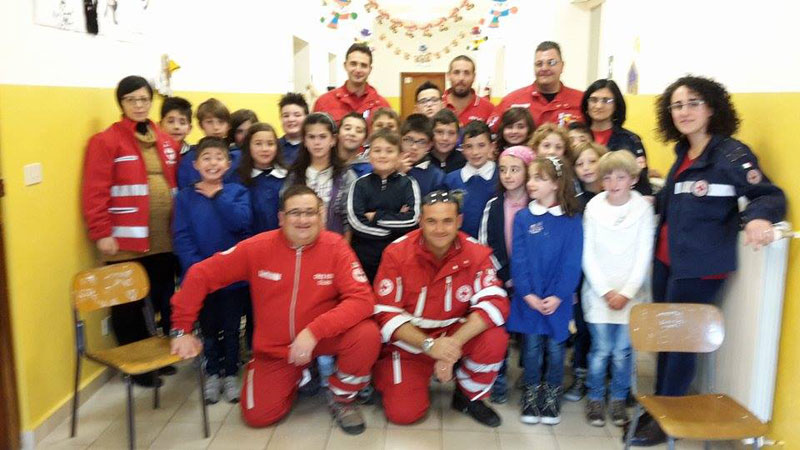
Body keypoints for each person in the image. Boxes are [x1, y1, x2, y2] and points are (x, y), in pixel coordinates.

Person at [627, 75, 786, 446]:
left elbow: (768, 194)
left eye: (694, 103)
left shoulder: (731, 154)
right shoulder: (684, 153)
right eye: (677, 105)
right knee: (667, 338)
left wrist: (758, 217)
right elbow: (676, 201)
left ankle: (665, 421)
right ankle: (658, 411)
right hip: (668, 262)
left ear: (712, 107)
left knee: (681, 343)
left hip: (700, 267)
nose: (685, 111)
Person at [169, 185, 380, 435]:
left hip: (322, 339)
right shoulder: (258, 247)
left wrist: (313, 332)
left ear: (321, 215)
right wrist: (182, 329)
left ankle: (343, 397)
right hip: (276, 348)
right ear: (281, 217)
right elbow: (200, 274)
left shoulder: (336, 247)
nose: (303, 220)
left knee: (367, 334)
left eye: (310, 212)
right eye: (295, 213)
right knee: (258, 416)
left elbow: (362, 300)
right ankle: (302, 372)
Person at [372, 190, 509, 427]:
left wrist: (451, 346)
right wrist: (430, 346)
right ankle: (396, 380)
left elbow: (495, 302)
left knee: (495, 338)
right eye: (431, 221)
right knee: (403, 414)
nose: (439, 229)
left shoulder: (475, 252)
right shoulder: (396, 253)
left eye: (447, 221)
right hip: (411, 343)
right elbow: (386, 314)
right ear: (420, 221)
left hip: (454, 336)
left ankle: (467, 396)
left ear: (459, 221)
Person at [81, 75, 180, 387]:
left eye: (144, 99)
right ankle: (136, 368)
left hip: (163, 238)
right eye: (131, 100)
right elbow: (94, 190)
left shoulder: (164, 140)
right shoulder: (106, 141)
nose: (139, 105)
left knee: (160, 297)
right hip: (124, 239)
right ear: (121, 104)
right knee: (128, 306)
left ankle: (154, 356)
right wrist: (101, 232)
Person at [172, 137, 252, 404]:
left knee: (231, 328)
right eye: (206, 158)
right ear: (195, 164)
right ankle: (213, 371)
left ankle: (230, 372)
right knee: (208, 328)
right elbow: (182, 237)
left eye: (219, 158)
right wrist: (198, 271)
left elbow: (241, 223)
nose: (213, 163)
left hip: (232, 278)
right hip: (199, 279)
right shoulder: (184, 197)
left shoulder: (237, 192)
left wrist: (217, 196)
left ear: (228, 164)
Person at [508, 156, 583, 426]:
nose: (530, 183)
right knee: (531, 350)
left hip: (557, 300)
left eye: (539, 178)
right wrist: (527, 293)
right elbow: (519, 259)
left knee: (555, 349)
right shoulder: (523, 217)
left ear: (556, 183)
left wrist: (559, 295)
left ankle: (551, 394)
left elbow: (572, 262)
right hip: (529, 299)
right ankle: (531, 392)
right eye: (530, 177)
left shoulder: (572, 220)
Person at [581, 150, 654, 428]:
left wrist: (627, 291)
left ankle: (619, 399)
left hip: (631, 296)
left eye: (620, 177)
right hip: (599, 295)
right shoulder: (594, 207)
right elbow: (588, 253)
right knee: (600, 351)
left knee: (623, 352)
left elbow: (643, 253)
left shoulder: (642, 210)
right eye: (607, 178)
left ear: (633, 179)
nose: (613, 183)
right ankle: (596, 397)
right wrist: (605, 291)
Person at [478, 145, 535, 404]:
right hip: (501, 278)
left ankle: (528, 375)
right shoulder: (494, 204)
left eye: (515, 170)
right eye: (503, 170)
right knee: (500, 332)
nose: (508, 175)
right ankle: (497, 379)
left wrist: (523, 276)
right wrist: (505, 274)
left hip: (531, 281)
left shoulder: (537, 205)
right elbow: (485, 244)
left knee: (528, 335)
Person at [347, 129, 420, 282]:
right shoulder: (359, 184)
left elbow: (412, 219)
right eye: (377, 150)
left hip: (400, 258)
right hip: (365, 260)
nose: (382, 155)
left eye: (389, 151)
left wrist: (375, 216)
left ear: (400, 156)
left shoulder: (408, 183)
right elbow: (356, 222)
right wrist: (391, 231)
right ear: (369, 154)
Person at [286, 112, 357, 236]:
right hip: (299, 241)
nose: (317, 142)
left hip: (334, 243)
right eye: (311, 137)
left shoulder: (346, 176)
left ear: (333, 140)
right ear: (304, 141)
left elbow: (349, 221)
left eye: (322, 136)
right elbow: (286, 212)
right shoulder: (295, 175)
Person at [581, 79, 652, 195]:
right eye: (593, 100)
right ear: (586, 104)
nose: (599, 106)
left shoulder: (631, 140)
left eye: (606, 100)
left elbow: (641, 181)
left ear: (616, 105)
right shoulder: (576, 136)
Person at [497, 41, 583, 127]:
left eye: (551, 63)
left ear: (562, 66)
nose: (544, 68)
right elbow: (491, 135)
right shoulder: (511, 101)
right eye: (539, 64)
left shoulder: (581, 101)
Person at [444, 120, 498, 238]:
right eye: (469, 146)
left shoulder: (502, 177)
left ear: (492, 146)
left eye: (481, 145)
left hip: (494, 245)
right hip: (460, 245)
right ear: (462, 149)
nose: (475, 152)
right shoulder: (450, 180)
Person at [313, 43, 390, 123]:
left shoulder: (382, 105)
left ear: (370, 69)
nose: (358, 70)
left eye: (363, 65)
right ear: (345, 65)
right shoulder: (323, 102)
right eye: (353, 64)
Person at [177, 98, 242, 189]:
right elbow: (185, 189)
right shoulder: (190, 157)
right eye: (209, 122)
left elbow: (239, 190)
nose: (216, 127)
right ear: (201, 125)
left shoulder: (238, 157)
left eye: (221, 122)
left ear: (228, 125)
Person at [237, 122, 287, 234]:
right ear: (248, 146)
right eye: (258, 144)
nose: (265, 149)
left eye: (270, 144)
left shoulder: (288, 177)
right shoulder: (237, 178)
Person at [443, 55, 498, 128]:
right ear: (448, 76)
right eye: (456, 72)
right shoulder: (437, 105)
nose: (461, 78)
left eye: (467, 73)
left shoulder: (489, 108)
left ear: (474, 77)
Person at [399, 114, 446, 196]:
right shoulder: (388, 168)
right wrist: (397, 174)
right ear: (400, 139)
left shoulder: (436, 176)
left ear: (429, 145)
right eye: (409, 140)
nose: (414, 147)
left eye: (421, 142)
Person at [430, 109, 466, 173]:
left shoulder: (465, 161)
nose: (445, 138)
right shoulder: (423, 162)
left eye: (451, 133)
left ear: (458, 136)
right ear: (430, 134)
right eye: (439, 132)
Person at [278, 93, 309, 166]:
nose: (291, 119)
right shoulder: (274, 147)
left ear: (307, 117)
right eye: (286, 116)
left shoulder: (313, 146)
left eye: (297, 115)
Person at [338, 113, 372, 178]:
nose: (352, 133)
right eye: (347, 128)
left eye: (359, 131)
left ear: (364, 140)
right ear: (338, 133)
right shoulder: (325, 164)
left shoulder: (369, 171)